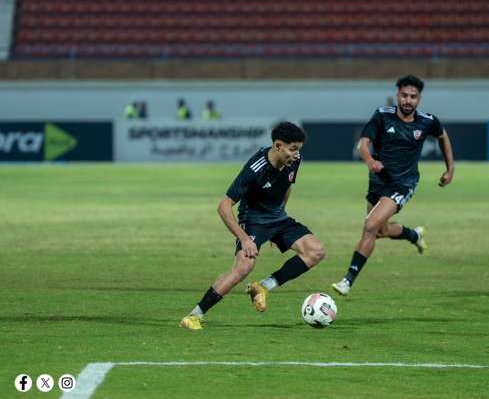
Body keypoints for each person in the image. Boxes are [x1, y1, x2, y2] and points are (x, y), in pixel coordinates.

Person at [181, 122, 326, 330]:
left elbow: (287, 186)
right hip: (253, 221)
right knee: (243, 268)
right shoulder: (255, 169)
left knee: (316, 251)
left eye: (299, 149)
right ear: (277, 146)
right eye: (292, 149)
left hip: (278, 218)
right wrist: (244, 239)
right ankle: (194, 315)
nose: (296, 154)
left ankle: (263, 287)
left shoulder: (294, 160)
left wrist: (279, 224)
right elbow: (224, 207)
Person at [332, 75, 454, 296]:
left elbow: (443, 137)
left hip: (403, 183)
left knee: (370, 226)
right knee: (381, 230)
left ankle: (347, 280)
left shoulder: (428, 121)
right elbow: (363, 144)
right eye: (404, 95)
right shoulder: (382, 116)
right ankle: (414, 235)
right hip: (378, 182)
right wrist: (370, 160)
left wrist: (450, 169)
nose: (408, 100)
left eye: (413, 96)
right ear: (398, 95)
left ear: (419, 98)